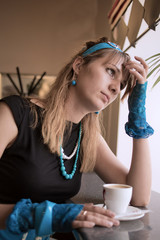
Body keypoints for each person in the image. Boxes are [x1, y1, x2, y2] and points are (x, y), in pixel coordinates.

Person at [0, 37, 154, 240]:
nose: (116, 87)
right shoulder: (13, 113)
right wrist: (42, 215)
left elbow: (139, 196)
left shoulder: (87, 136)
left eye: (123, 84)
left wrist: (138, 116)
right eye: (110, 71)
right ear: (79, 66)